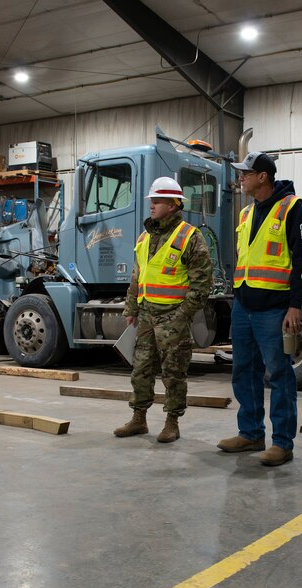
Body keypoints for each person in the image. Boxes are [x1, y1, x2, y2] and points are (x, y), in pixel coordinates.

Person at [217, 151, 302, 467]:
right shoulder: (246, 214)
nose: (240, 177)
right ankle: (251, 433)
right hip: (244, 306)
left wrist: (295, 305)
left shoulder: (291, 208)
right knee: (244, 370)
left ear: (263, 176)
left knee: (280, 373)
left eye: (246, 173)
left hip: (274, 308)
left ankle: (282, 443)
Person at [114, 176, 214, 443]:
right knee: (141, 369)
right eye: (152, 200)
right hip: (146, 314)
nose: (152, 205)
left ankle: (172, 423)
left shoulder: (190, 237)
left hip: (173, 316)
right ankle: (139, 419)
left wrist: (183, 314)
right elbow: (137, 275)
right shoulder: (146, 236)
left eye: (157, 201)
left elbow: (203, 282)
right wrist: (131, 307)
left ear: (173, 205)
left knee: (173, 372)